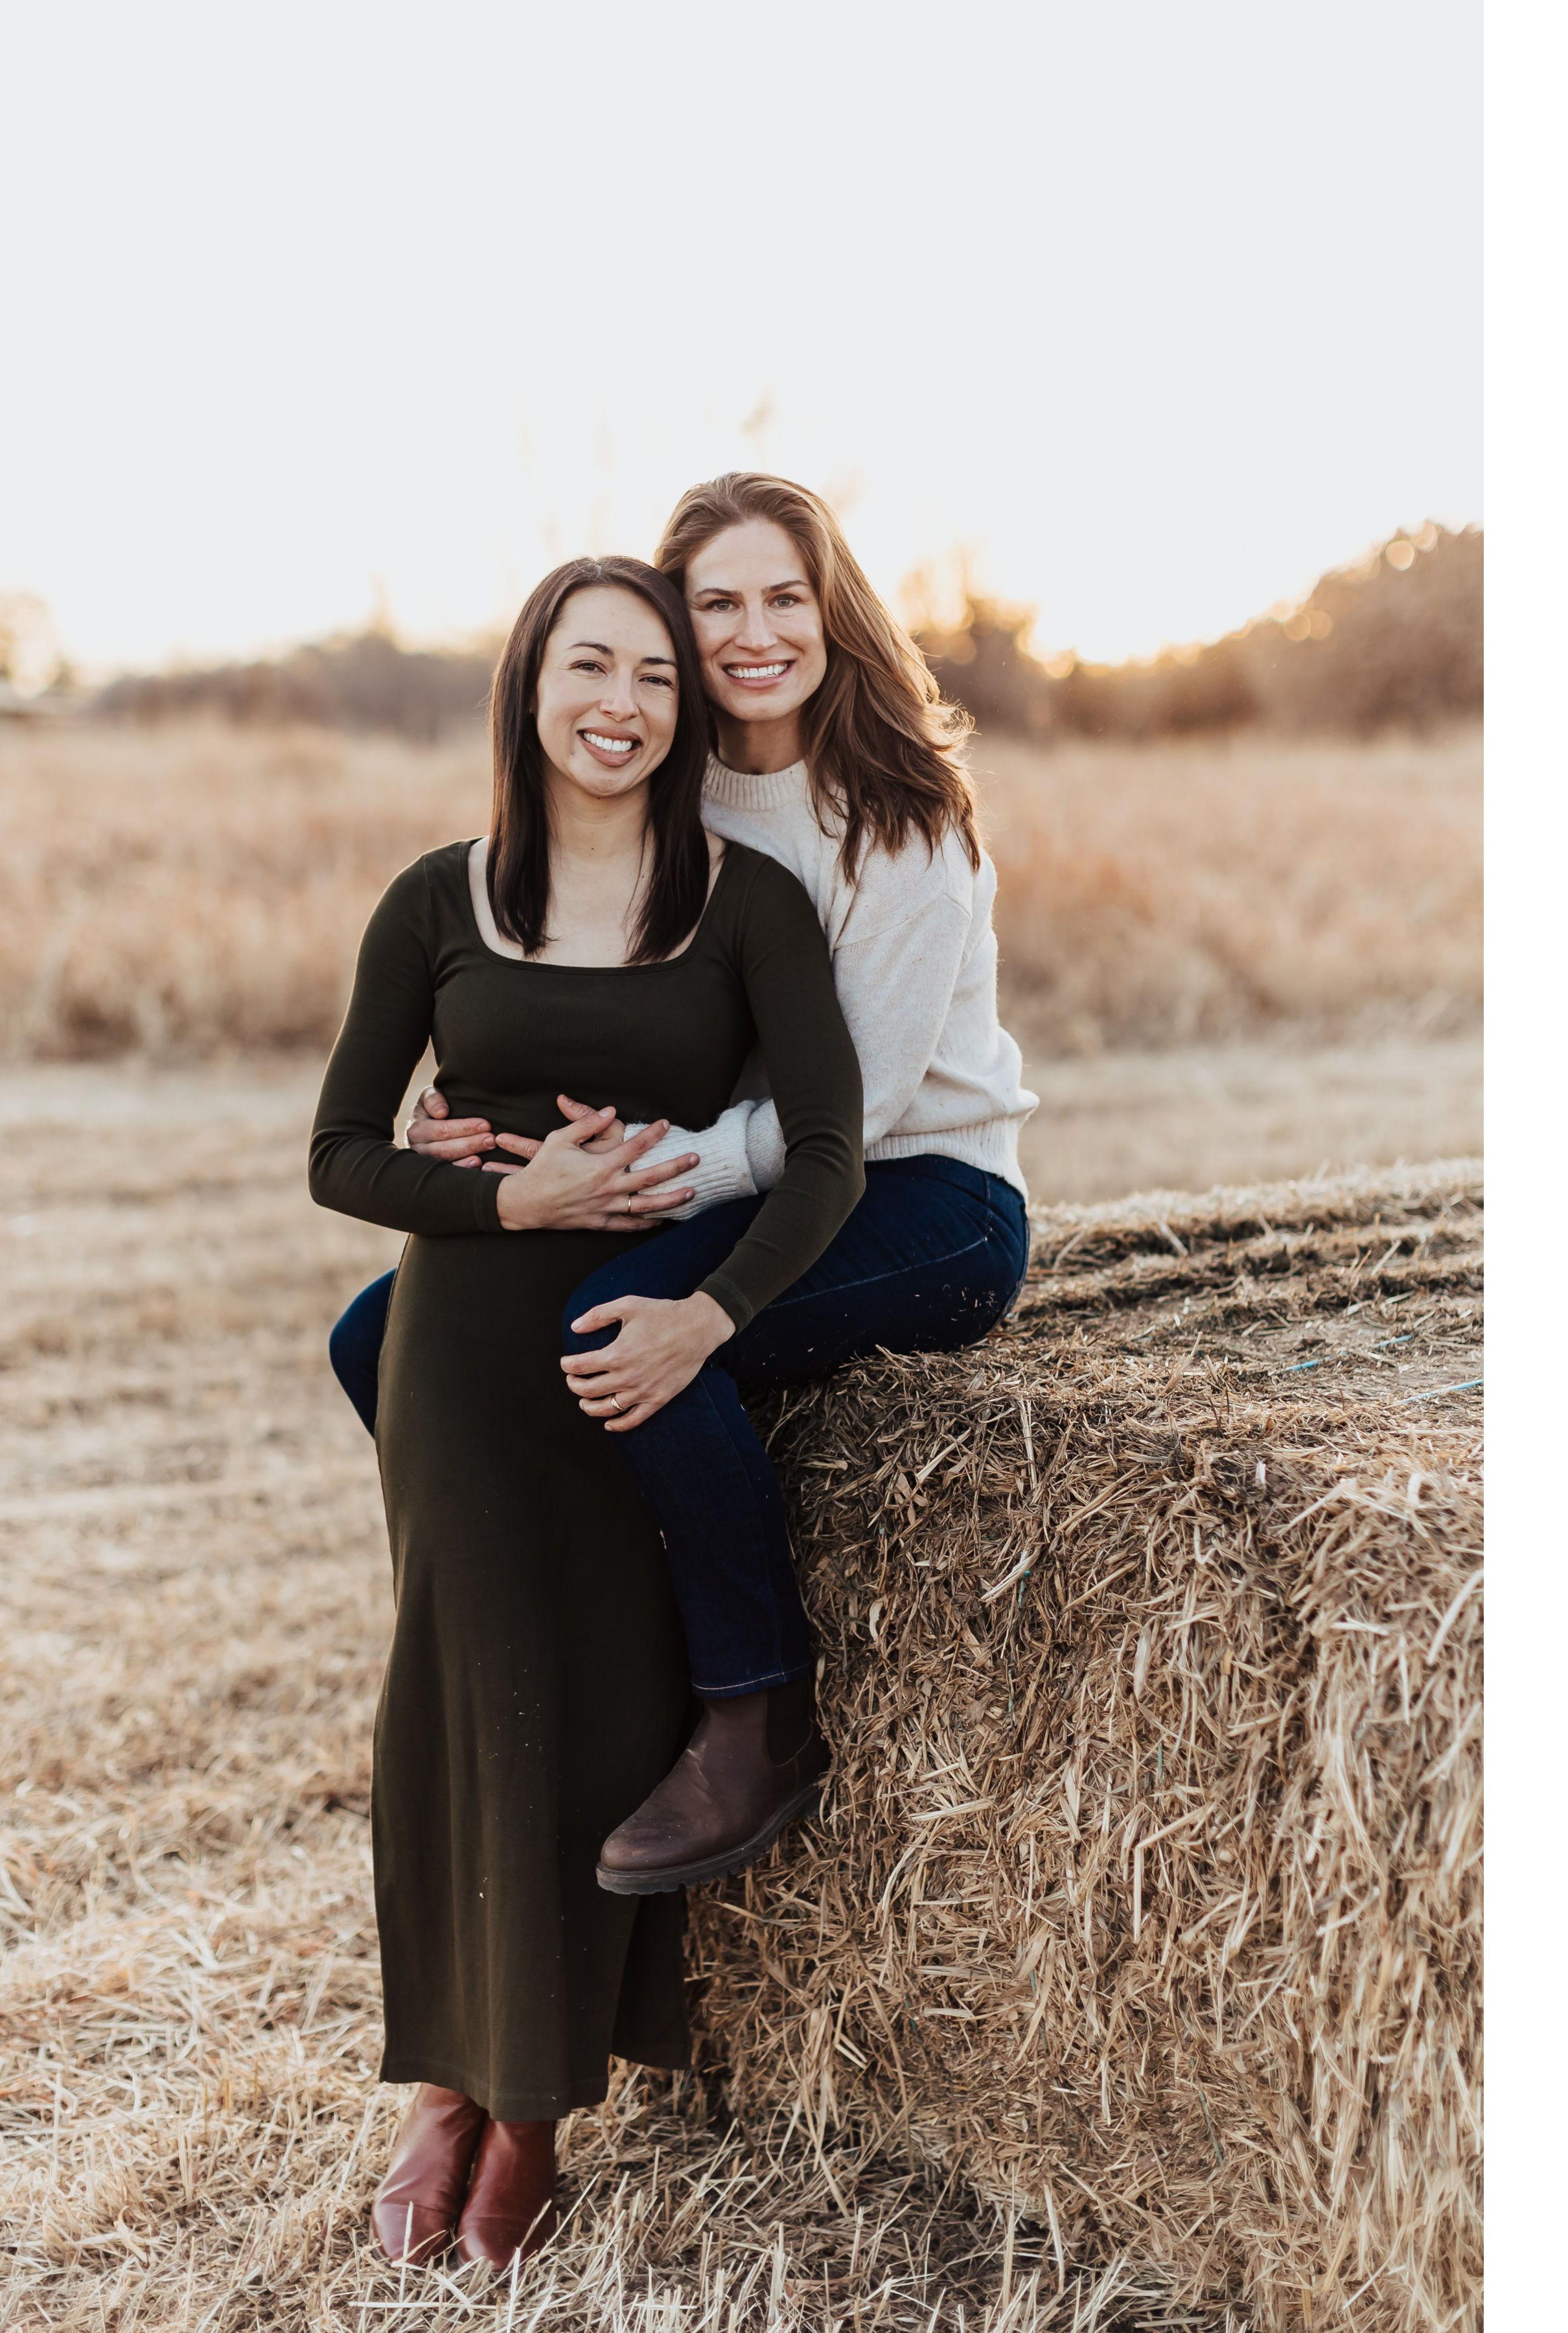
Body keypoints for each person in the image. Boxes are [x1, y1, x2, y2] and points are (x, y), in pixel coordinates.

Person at [329, 474, 1037, 1893]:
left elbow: (866, 1110)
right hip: (721, 1174)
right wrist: (476, 1111)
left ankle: (755, 1705)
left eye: (785, 596)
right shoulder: (674, 779)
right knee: (375, 1334)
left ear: (834, 611)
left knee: (627, 1318)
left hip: (922, 1198)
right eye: (716, 603)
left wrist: (647, 1181)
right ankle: (547, 1607)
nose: (753, 630)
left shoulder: (898, 823)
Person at [306, 554, 862, 2270]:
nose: (622, 703)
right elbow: (342, 1155)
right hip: (466, 1349)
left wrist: (711, 1319)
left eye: (654, 678)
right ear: (531, 688)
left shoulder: (742, 902)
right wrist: (505, 1207)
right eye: (588, 668)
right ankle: (443, 2092)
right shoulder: (434, 903)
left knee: (591, 1709)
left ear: (686, 713)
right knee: (456, 1703)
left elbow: (833, 1155)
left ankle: (536, 2108)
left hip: (634, 1354)